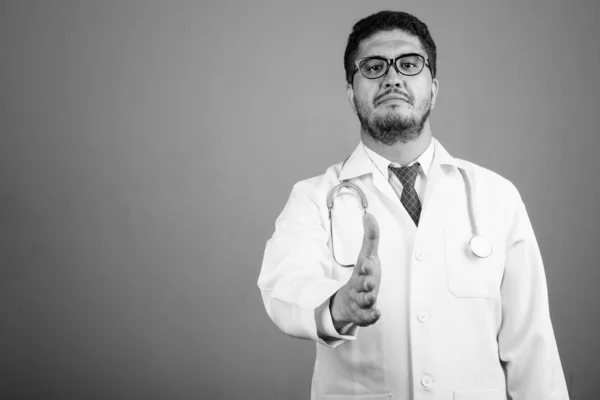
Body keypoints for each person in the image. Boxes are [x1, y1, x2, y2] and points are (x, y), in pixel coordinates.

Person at [257, 10, 569, 400]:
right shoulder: (316, 197)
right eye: (373, 67)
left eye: (408, 64)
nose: (392, 77)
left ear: (433, 89)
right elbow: (284, 285)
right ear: (352, 93)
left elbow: (531, 346)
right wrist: (339, 305)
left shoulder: (496, 196)